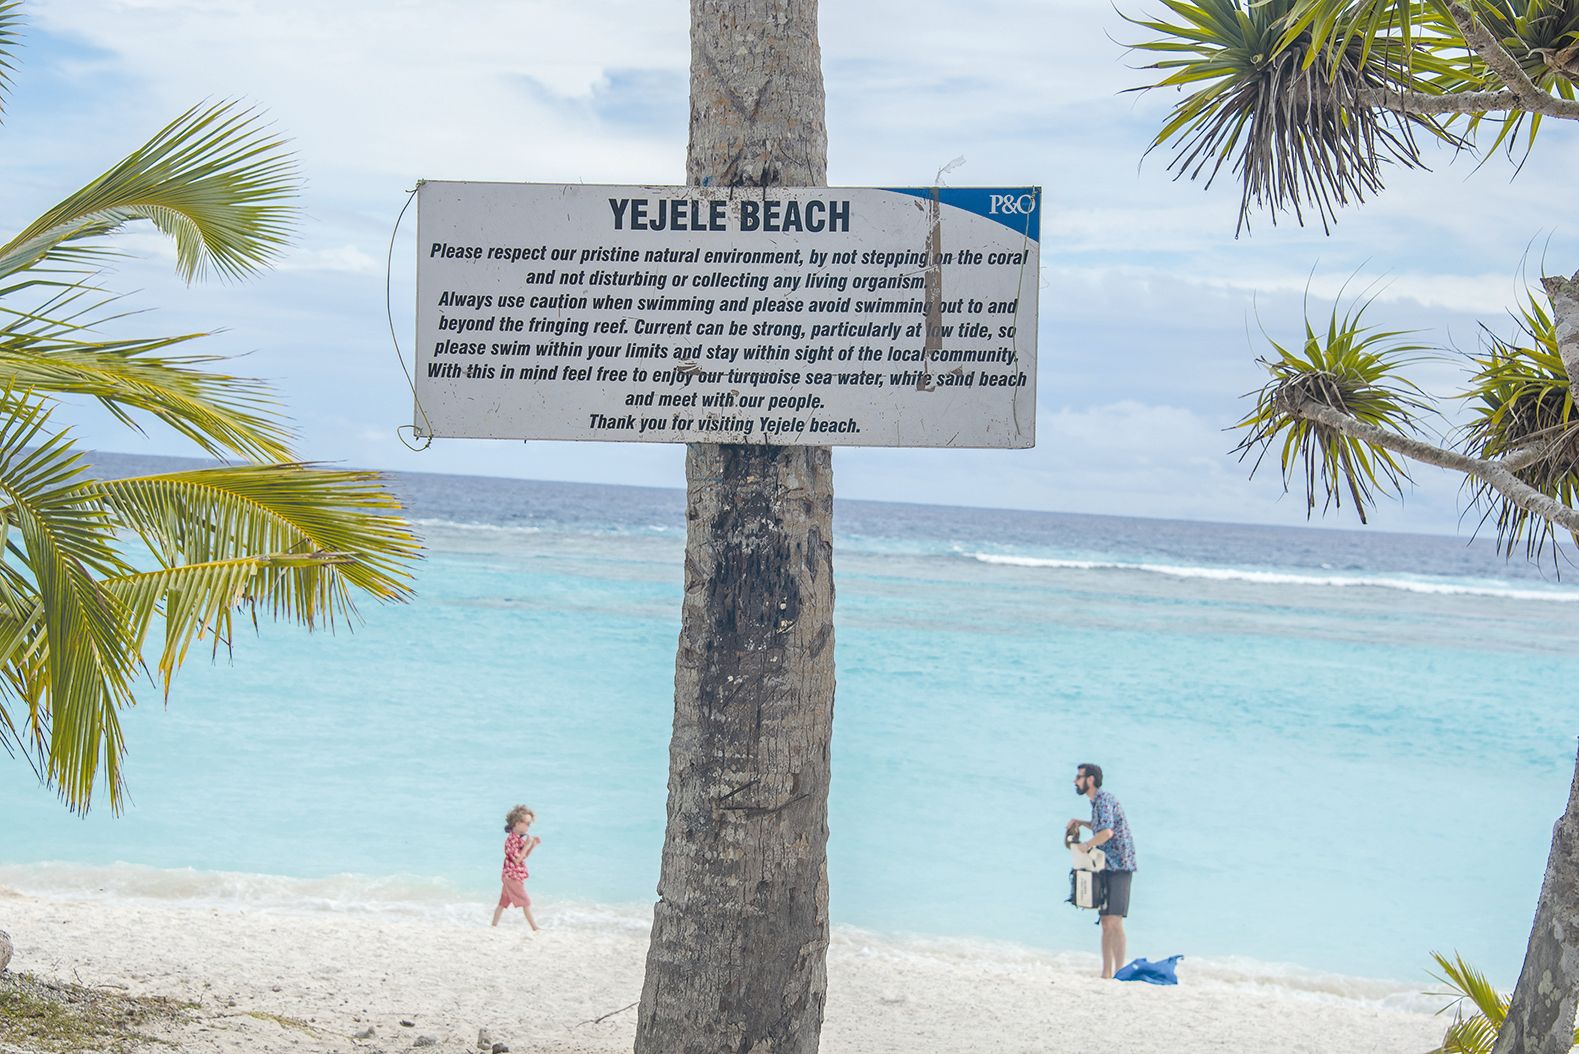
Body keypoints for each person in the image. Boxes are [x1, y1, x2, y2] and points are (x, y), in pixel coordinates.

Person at [1066, 763, 1135, 978]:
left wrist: (1087, 845)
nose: (1075, 781)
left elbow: (1106, 833)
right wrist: (1082, 823)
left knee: (1114, 920)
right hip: (1106, 864)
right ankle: (1106, 973)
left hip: (1120, 864)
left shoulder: (1103, 800)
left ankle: (1119, 972)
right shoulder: (1096, 802)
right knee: (1105, 921)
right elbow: (1101, 826)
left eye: (1079, 777)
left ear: (1090, 780)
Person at [491, 804, 541, 931]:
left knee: (502, 903)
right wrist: (527, 845)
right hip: (512, 876)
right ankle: (535, 928)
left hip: (511, 876)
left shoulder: (518, 839)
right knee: (526, 902)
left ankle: (493, 926)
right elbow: (517, 860)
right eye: (527, 823)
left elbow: (524, 856)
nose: (528, 826)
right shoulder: (511, 841)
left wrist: (532, 845)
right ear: (518, 823)